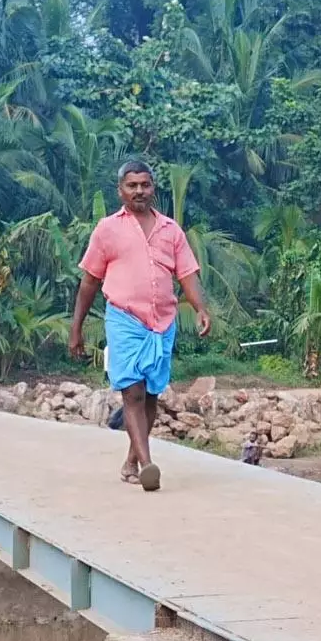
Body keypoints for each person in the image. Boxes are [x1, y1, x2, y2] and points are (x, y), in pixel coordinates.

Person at [70, 160, 212, 490]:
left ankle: (132, 461)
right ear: (120, 191)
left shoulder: (170, 230)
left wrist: (200, 309)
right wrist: (76, 328)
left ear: (153, 188)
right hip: (124, 319)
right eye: (132, 185)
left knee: (150, 396)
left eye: (145, 185)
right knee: (132, 391)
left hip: (162, 323)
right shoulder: (107, 229)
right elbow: (89, 282)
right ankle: (148, 465)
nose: (139, 191)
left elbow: (187, 274)